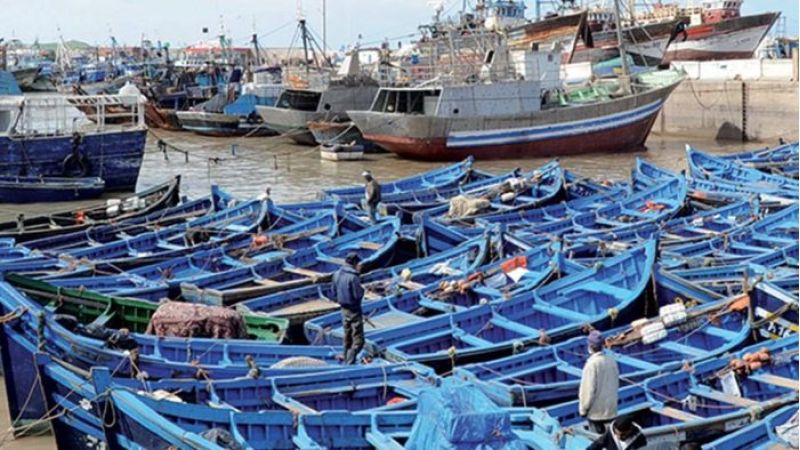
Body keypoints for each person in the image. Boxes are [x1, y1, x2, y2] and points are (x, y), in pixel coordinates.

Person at [579, 330, 619, 434]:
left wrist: (583, 410)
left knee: (598, 440)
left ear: (590, 346)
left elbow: (588, 390)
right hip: (611, 411)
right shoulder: (611, 360)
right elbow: (616, 383)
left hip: (596, 414)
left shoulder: (591, 364)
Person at [332, 253, 365, 364]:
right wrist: (362, 291)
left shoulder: (336, 274)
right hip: (354, 310)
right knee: (358, 340)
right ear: (355, 263)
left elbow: (333, 292)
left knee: (347, 335)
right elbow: (358, 295)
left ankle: (346, 357)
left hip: (343, 309)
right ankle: (350, 361)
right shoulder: (353, 277)